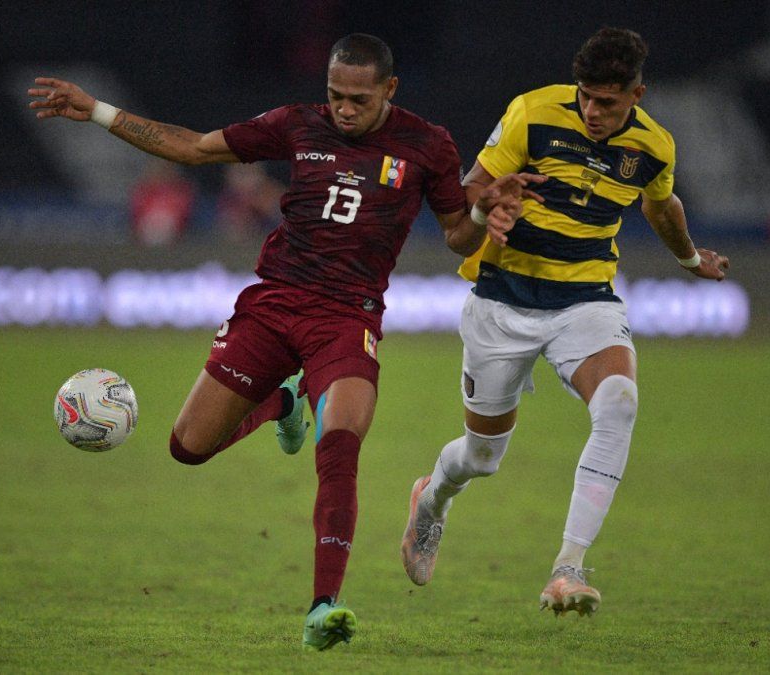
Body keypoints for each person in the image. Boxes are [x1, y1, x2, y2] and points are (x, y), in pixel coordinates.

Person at [29, 34, 540, 650]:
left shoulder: (427, 144)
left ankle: (324, 606)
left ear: (390, 89)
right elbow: (193, 147)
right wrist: (97, 111)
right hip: (274, 304)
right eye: (335, 95)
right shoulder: (297, 125)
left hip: (347, 318)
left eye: (358, 99)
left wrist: (484, 215)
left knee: (340, 444)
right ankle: (284, 403)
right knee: (188, 447)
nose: (344, 109)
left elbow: (458, 233)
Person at [400, 27, 730, 617]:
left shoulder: (655, 147)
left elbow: (660, 205)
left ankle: (568, 567)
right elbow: (472, 190)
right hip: (502, 300)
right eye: (585, 96)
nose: (592, 111)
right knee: (481, 457)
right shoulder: (532, 113)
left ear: (636, 95)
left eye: (607, 101)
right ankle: (431, 500)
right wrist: (489, 208)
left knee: (620, 402)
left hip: (585, 300)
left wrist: (688, 259)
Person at [129, 158, 196, 247]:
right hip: (146, 234)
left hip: (174, 235)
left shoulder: (180, 191)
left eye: (166, 169)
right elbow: (136, 214)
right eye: (158, 169)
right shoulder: (144, 191)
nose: (162, 172)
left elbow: (185, 215)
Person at [214, 163, 285, 242]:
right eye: (241, 174)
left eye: (252, 173)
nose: (246, 181)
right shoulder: (228, 200)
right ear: (228, 176)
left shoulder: (270, 193)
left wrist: (268, 209)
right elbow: (232, 232)